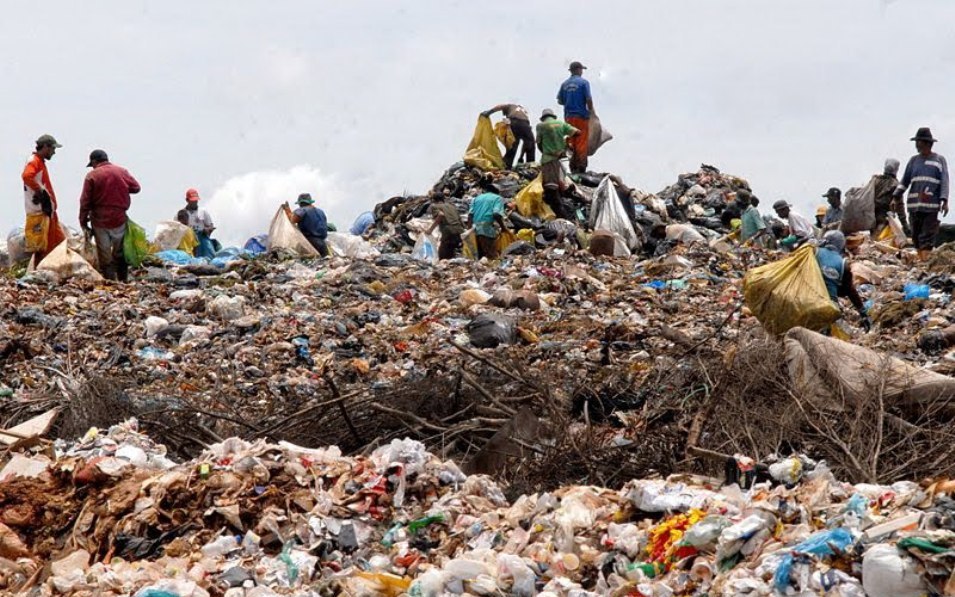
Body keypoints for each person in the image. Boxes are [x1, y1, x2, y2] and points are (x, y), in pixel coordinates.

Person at [78, 150, 141, 281]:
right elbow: (136, 188)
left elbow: (85, 201)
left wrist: (83, 221)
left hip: (100, 220)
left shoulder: (92, 176)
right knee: (119, 253)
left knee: (105, 255)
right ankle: (123, 281)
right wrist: (120, 188)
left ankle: (111, 282)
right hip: (119, 218)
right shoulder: (121, 171)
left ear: (95, 162)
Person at [894, 127, 949, 260]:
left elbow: (945, 180)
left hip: (930, 205)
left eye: (919, 142)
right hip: (914, 205)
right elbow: (905, 181)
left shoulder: (939, 160)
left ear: (927, 143)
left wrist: (945, 200)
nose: (917, 145)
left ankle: (924, 262)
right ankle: (921, 261)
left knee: (927, 237)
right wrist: (895, 196)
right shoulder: (913, 161)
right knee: (916, 236)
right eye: (916, 142)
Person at [21, 134, 66, 263]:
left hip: (47, 212)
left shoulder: (39, 162)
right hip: (39, 212)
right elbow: (27, 176)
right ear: (45, 147)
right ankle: (41, 273)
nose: (54, 152)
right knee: (43, 249)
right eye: (52, 149)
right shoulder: (34, 161)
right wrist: (40, 192)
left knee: (59, 245)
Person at [816, 231, 871, 332]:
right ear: (841, 245)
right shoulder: (843, 264)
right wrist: (863, 313)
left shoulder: (814, 252)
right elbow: (849, 290)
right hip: (829, 307)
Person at [535, 108, 580, 221]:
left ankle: (563, 218)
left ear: (543, 118)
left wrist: (546, 150)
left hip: (548, 160)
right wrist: (565, 142)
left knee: (551, 190)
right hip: (559, 160)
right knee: (558, 187)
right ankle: (564, 216)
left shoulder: (541, 126)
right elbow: (577, 132)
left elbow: (539, 143)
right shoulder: (561, 124)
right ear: (553, 116)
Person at [556, 61, 593, 173]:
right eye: (581, 69)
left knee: (571, 141)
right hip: (581, 116)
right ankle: (580, 167)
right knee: (581, 141)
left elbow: (560, 100)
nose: (582, 71)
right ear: (578, 70)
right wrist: (591, 111)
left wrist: (570, 101)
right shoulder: (584, 83)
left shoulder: (565, 84)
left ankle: (572, 166)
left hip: (568, 118)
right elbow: (588, 99)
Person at [468, 175, 509, 259]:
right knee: (491, 256)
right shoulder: (497, 198)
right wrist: (503, 227)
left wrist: (469, 230)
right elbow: (496, 214)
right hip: (486, 229)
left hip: (475, 229)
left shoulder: (476, 198)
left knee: (479, 256)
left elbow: (470, 215)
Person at [482, 104, 535, 168]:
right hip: (526, 125)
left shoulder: (510, 106)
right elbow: (525, 145)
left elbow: (500, 106)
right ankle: (531, 165)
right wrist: (521, 157)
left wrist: (489, 112)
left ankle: (507, 165)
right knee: (530, 145)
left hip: (514, 122)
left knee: (512, 146)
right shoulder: (523, 111)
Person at [426, 188, 465, 260]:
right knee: (453, 253)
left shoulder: (434, 206)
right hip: (460, 231)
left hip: (448, 232)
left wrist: (430, 230)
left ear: (433, 200)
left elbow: (441, 215)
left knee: (442, 256)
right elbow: (460, 219)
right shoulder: (452, 206)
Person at [180, 189, 217, 258]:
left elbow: (210, 225)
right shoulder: (182, 213)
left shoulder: (203, 211)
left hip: (201, 238)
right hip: (187, 240)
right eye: (192, 201)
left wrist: (207, 230)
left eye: (196, 200)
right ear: (187, 200)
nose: (194, 202)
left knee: (210, 256)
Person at [873, 158, 906, 234]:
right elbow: (900, 207)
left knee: (874, 240)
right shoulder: (896, 185)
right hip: (885, 219)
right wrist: (905, 226)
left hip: (872, 218)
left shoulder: (876, 180)